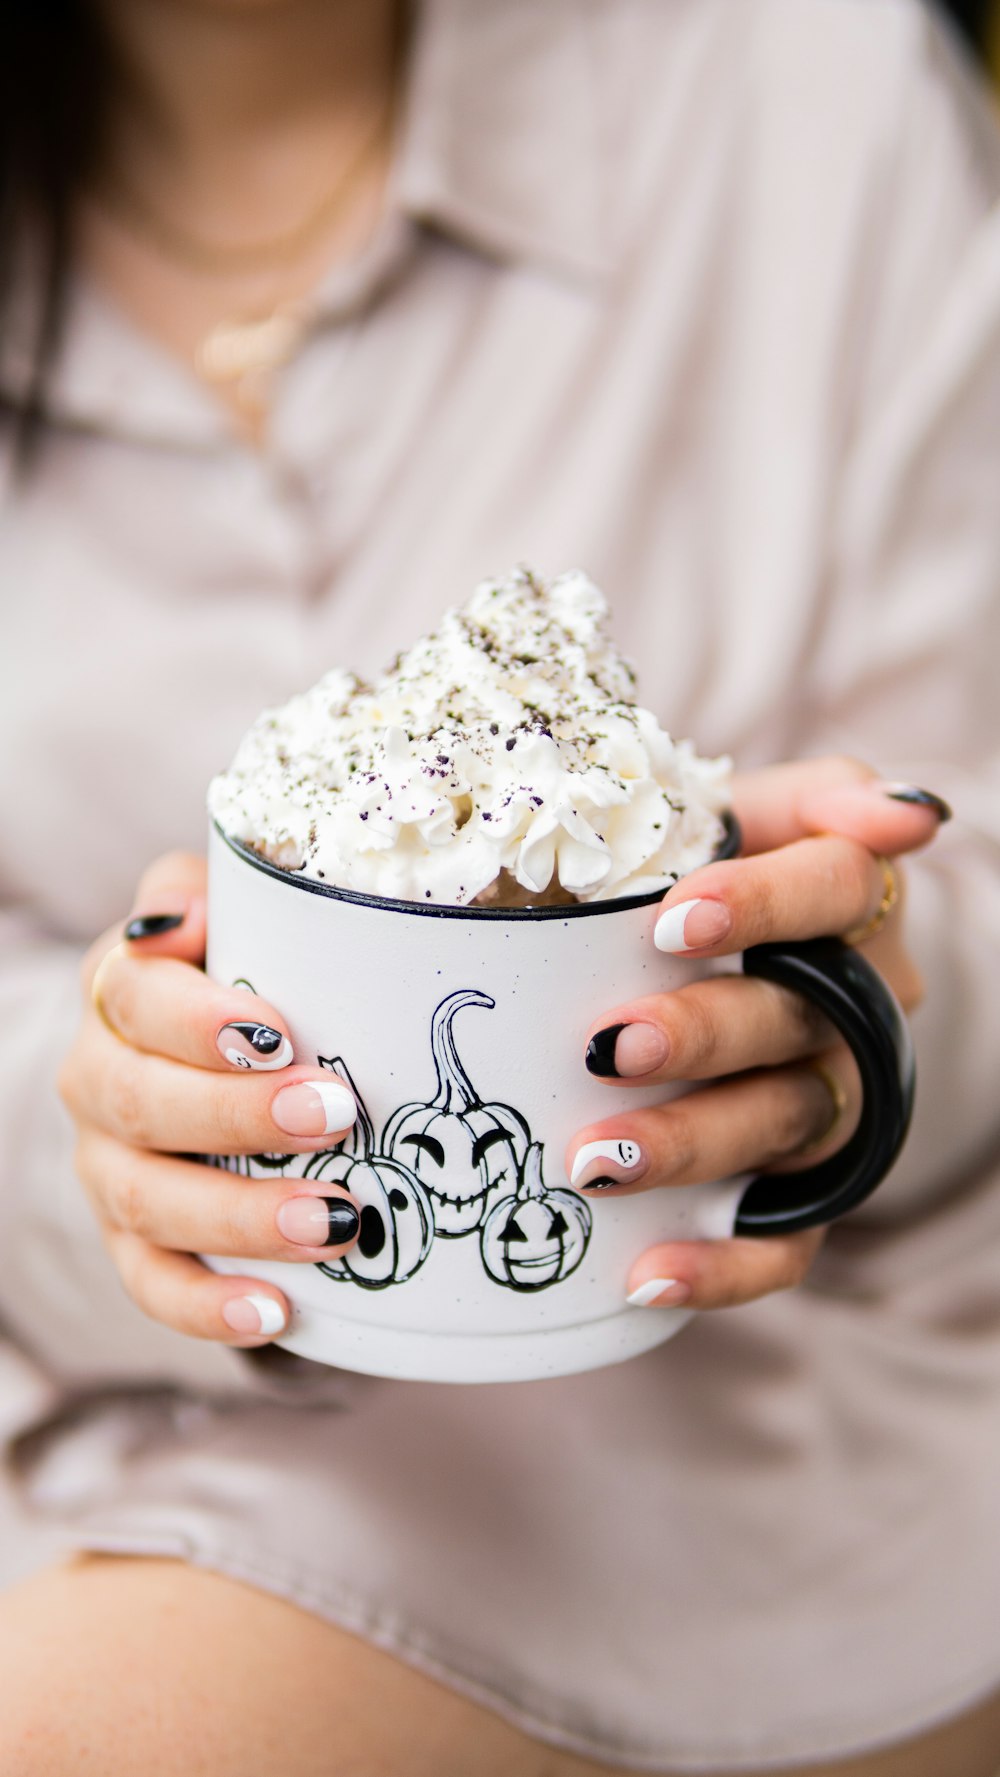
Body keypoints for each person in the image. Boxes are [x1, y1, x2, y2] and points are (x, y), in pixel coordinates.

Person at [1, 2, 999, 1772]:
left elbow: (965, 847)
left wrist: (852, 996)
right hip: (85, 1409)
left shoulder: (796, 85)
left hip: (799, 1406)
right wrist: (113, 1132)